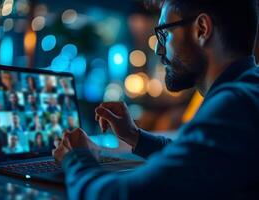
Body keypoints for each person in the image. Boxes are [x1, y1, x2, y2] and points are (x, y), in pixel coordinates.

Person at [53, 0, 259, 199]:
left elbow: (118, 196)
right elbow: (200, 160)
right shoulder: (249, 92)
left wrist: (77, 157)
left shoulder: (235, 105)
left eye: (164, 33)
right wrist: (135, 136)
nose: (159, 49)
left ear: (202, 29)